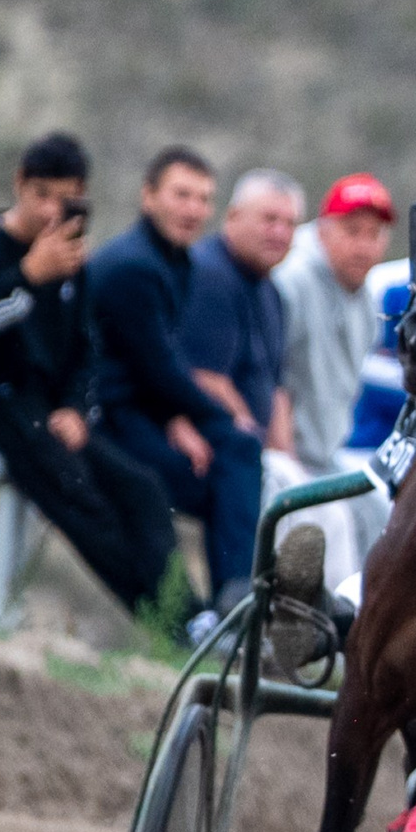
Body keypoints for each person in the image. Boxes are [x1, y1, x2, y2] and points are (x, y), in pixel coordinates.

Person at [0, 132, 186, 619]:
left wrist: (77, 407)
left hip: (46, 409)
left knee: (143, 490)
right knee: (78, 495)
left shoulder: (73, 259)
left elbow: (86, 347)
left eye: (66, 198)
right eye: (42, 195)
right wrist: (28, 278)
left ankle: (191, 614)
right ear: (20, 186)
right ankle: (164, 620)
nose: (53, 211)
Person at [88, 146, 263, 627]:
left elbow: (158, 368)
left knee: (235, 460)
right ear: (149, 197)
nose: (193, 210)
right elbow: (157, 369)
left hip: (144, 410)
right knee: (235, 456)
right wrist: (216, 416)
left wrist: (181, 419)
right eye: (181, 195)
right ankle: (221, 611)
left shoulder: (173, 261)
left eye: (203, 199)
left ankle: (226, 608)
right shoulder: (134, 267)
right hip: (109, 419)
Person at [270, 173, 398, 591]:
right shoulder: (292, 282)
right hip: (285, 456)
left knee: (382, 518)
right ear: (323, 230)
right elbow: (275, 382)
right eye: (352, 230)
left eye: (374, 234)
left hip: (328, 457)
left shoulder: (364, 298)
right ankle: (324, 635)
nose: (364, 244)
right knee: (332, 531)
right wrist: (291, 465)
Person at [181, 167, 301, 468]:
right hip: (212, 446)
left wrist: (288, 463)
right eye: (269, 219)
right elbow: (206, 378)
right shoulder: (207, 274)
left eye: (290, 224)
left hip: (254, 449)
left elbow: (276, 391)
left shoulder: (272, 291)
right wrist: (258, 452)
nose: (280, 233)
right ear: (233, 216)